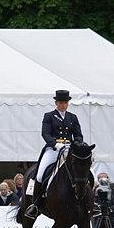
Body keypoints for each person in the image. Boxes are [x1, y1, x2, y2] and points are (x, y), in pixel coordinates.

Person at [25, 89, 84, 219]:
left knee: (84, 171)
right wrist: (55, 144)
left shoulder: (72, 117)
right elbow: (45, 133)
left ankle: (90, 202)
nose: (63, 105)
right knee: (40, 175)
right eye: (61, 102)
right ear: (56, 103)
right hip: (53, 149)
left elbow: (79, 135)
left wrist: (76, 144)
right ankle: (35, 204)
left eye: (65, 102)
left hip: (69, 149)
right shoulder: (49, 116)